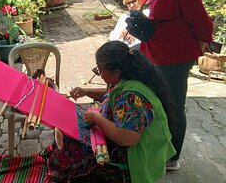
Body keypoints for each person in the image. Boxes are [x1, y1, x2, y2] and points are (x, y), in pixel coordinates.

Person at [128, 0, 213, 171]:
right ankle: (154, 140)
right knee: (157, 98)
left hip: (175, 57)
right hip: (157, 51)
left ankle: (172, 156)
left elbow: (204, 25)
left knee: (173, 105)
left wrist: (198, 45)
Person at [43, 41, 175, 183]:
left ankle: (70, 175)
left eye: (100, 69)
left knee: (72, 146)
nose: (99, 74)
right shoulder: (129, 77)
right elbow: (112, 95)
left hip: (135, 156)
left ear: (116, 71)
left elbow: (127, 138)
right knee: (69, 135)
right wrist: (86, 91)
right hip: (131, 142)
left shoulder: (132, 96)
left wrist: (97, 118)